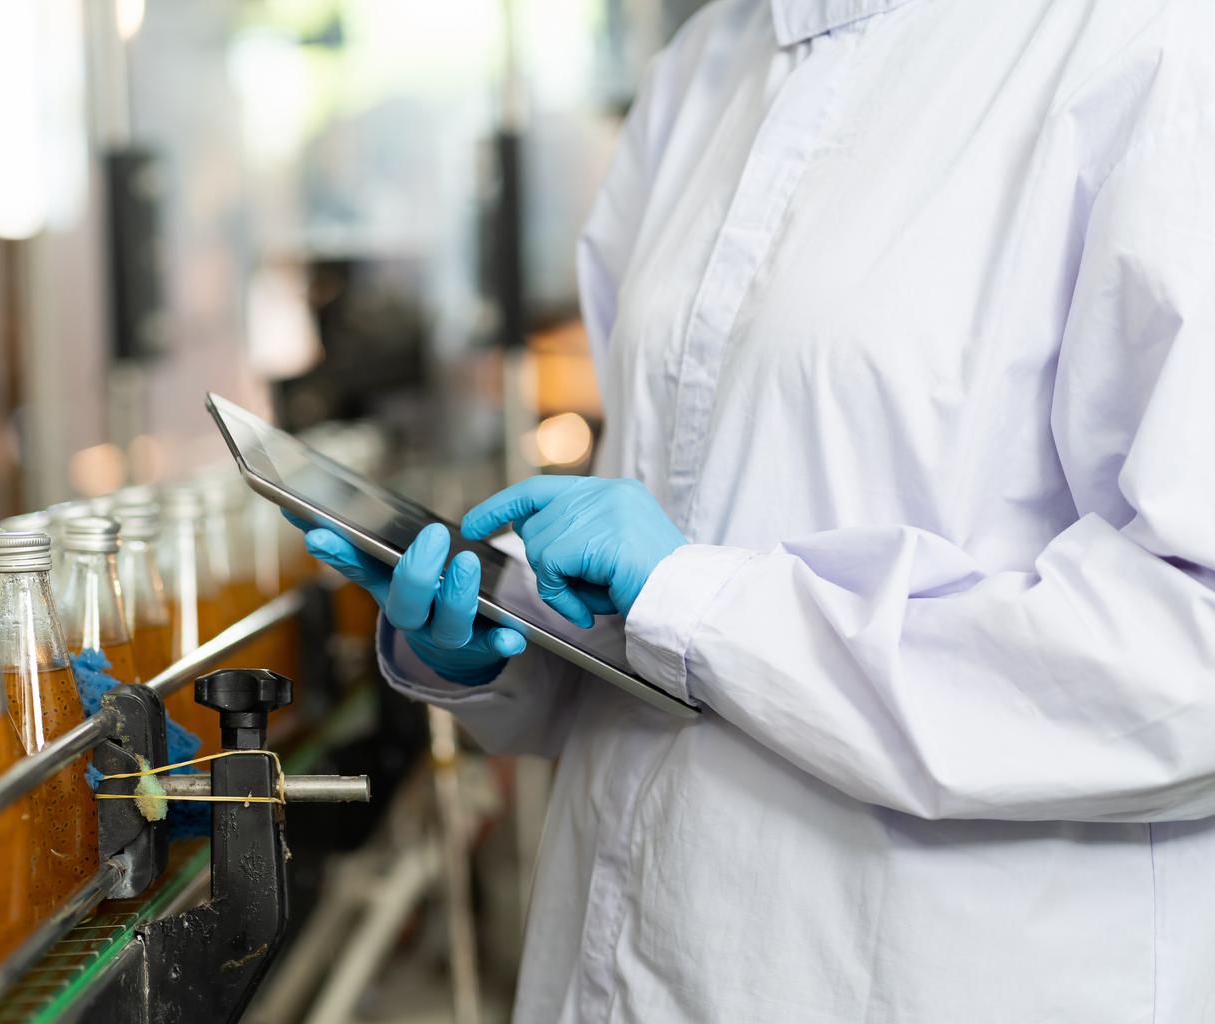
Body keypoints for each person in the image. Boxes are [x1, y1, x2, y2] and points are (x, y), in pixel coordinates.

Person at [289, 1, 1215, 1020]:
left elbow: (1188, 660)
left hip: (926, 973)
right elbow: (662, 568)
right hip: (620, 958)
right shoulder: (703, 66)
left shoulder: (1147, 42)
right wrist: (504, 638)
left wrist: (700, 601)